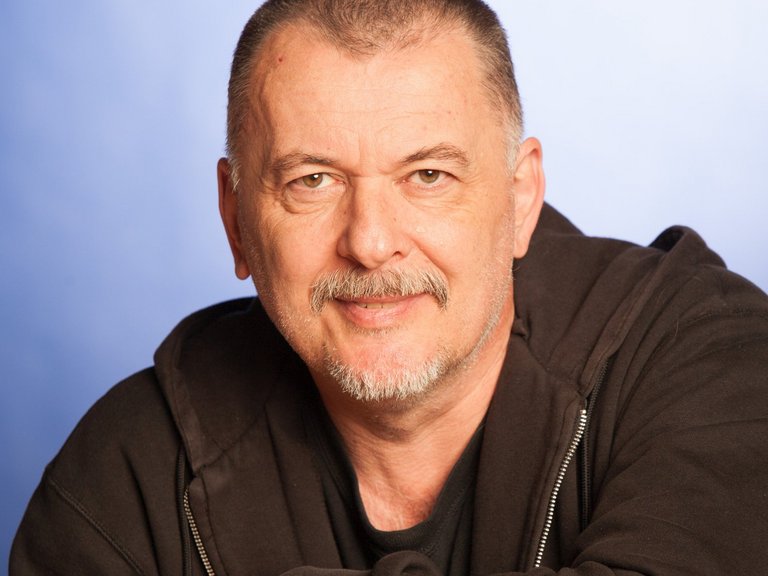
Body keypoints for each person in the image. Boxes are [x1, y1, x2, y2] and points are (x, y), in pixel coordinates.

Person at [11, 0, 768, 574]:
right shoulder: (125, 483)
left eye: (428, 175)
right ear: (237, 221)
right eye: (313, 181)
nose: (370, 241)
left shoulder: (707, 365)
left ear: (520, 199)